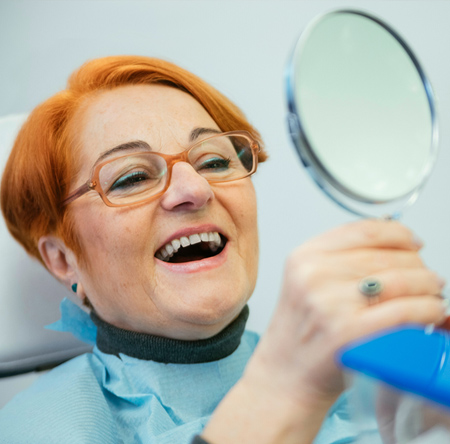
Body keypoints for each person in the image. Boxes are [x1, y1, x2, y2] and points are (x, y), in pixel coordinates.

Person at [0, 55, 446, 444]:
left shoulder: (362, 380)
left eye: (214, 160)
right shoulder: (39, 428)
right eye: (132, 177)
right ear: (63, 258)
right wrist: (282, 392)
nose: (194, 188)